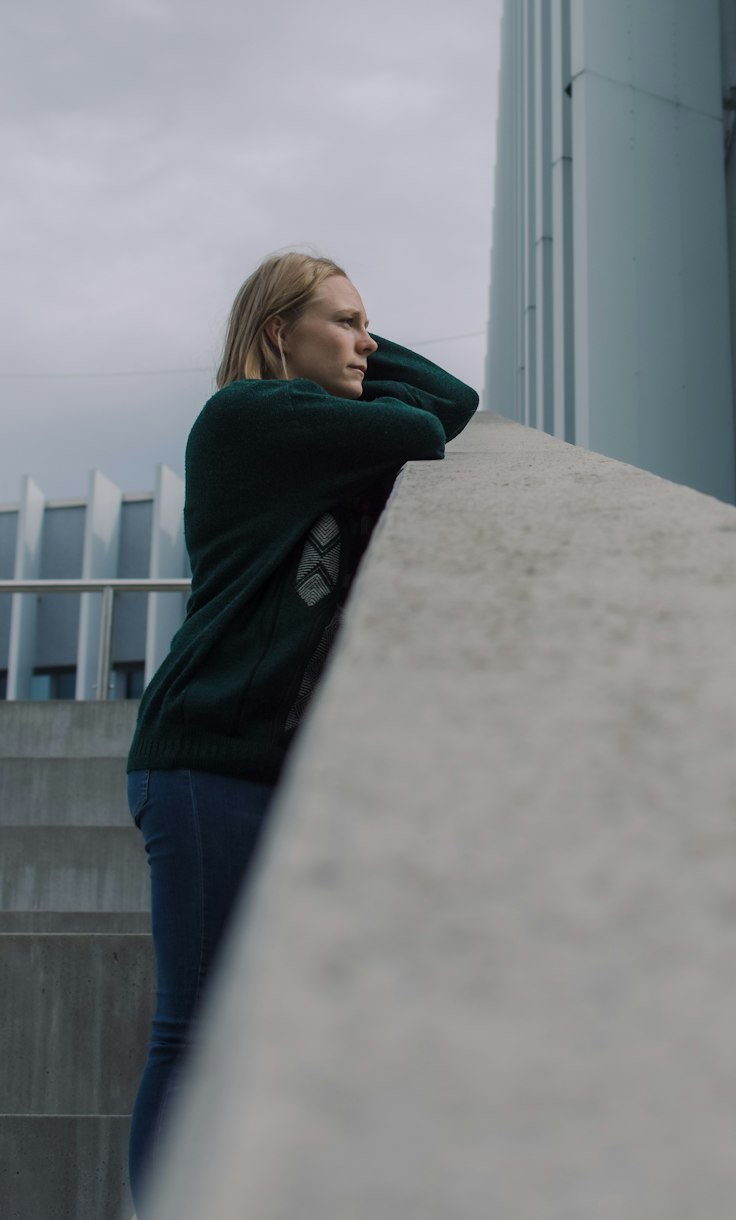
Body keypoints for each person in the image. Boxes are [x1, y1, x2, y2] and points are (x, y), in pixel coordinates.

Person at [124, 249, 479, 1212]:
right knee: (192, 1031)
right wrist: (342, 357)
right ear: (278, 333)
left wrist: (348, 340)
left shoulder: (312, 425)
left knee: (247, 1031)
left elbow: (453, 396)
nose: (367, 343)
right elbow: (426, 421)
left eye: (370, 325)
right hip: (206, 757)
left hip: (265, 765)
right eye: (346, 322)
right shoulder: (253, 416)